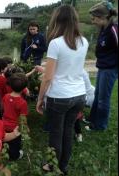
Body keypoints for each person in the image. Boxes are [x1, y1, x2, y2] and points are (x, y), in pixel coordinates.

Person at [36, 5, 89, 174]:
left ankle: (52, 166)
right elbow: (69, 68)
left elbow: (49, 77)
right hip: (79, 94)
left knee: (56, 134)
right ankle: (63, 166)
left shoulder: (56, 43)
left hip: (59, 96)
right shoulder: (84, 41)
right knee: (68, 131)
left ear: (56, 20)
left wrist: (39, 99)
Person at [85, 1, 118, 131]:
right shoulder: (104, 29)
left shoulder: (114, 29)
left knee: (103, 98)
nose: (93, 22)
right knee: (98, 95)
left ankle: (100, 125)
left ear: (103, 17)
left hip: (110, 69)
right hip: (103, 67)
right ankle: (93, 118)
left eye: (94, 19)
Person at [2, 73, 28, 160]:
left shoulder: (5, 96)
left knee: (5, 140)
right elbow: (23, 118)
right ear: (24, 88)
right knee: (15, 143)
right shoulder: (22, 102)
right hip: (15, 127)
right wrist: (25, 128)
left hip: (4, 124)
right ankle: (15, 156)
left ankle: (4, 153)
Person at [74, 69, 95, 142]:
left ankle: (78, 133)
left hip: (86, 97)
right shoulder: (81, 69)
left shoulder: (75, 71)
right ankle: (78, 133)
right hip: (90, 93)